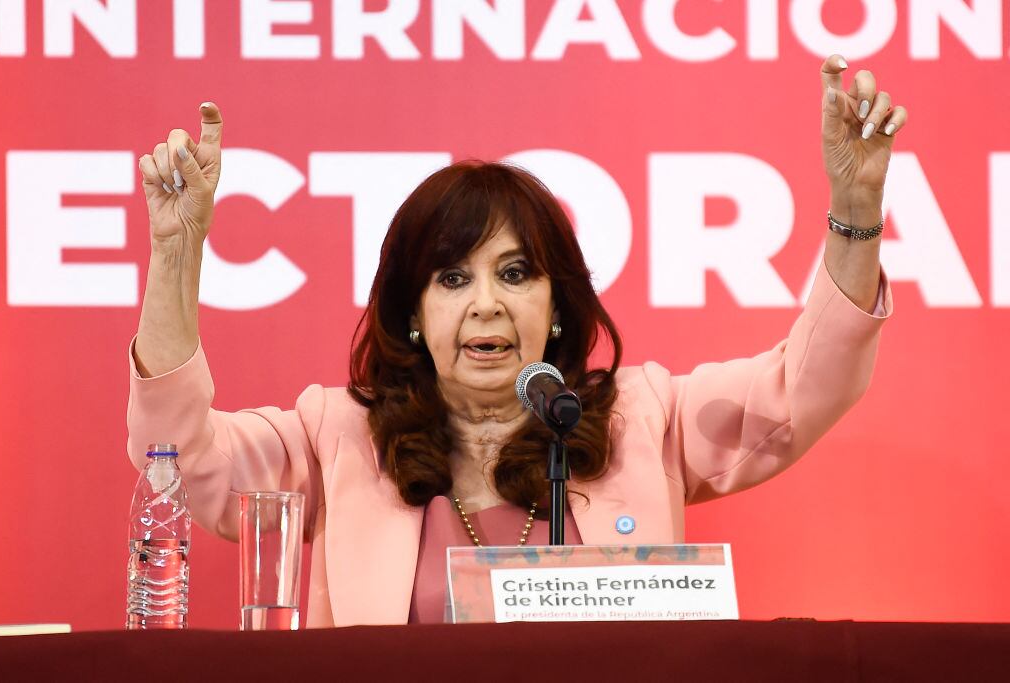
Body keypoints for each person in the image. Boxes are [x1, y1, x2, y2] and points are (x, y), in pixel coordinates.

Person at [128, 55, 903, 626]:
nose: (487, 305)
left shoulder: (643, 416)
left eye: (515, 273)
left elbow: (802, 392)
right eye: (453, 279)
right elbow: (177, 461)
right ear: (412, 311)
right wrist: (174, 254)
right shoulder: (336, 436)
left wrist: (857, 207)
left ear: (556, 306)